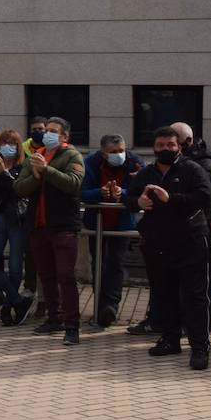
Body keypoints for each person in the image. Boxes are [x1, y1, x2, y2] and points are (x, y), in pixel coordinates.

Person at [125, 126, 211, 370]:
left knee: (195, 297)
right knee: (165, 294)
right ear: (154, 147)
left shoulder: (192, 169)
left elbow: (204, 198)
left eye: (170, 145)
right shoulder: (147, 173)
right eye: (161, 145)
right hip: (158, 244)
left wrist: (171, 199)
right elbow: (129, 199)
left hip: (191, 241)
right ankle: (170, 340)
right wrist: (138, 201)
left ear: (179, 146)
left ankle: (200, 348)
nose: (165, 149)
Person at [15, 116, 85, 345]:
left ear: (65, 136)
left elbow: (73, 183)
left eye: (54, 131)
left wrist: (46, 171)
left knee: (66, 275)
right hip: (38, 227)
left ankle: (72, 326)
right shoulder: (36, 156)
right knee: (46, 275)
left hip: (63, 226)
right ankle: (54, 318)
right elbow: (20, 188)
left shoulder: (72, 155)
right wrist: (37, 176)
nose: (48, 134)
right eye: (47, 130)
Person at [80, 134, 143, 327]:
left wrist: (122, 193)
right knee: (98, 263)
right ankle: (100, 304)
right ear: (103, 153)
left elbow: (142, 190)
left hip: (122, 223)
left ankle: (110, 306)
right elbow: (82, 192)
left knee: (115, 263)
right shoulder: (90, 163)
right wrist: (100, 192)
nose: (119, 154)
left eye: (121, 150)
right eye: (113, 152)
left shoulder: (135, 163)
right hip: (97, 222)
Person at [0, 131, 30, 324]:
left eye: (12, 143)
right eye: (4, 143)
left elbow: (19, 191)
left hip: (17, 220)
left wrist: (5, 175)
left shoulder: (23, 166)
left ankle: (9, 307)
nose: (7, 146)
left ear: (18, 146)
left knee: (16, 267)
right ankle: (18, 300)